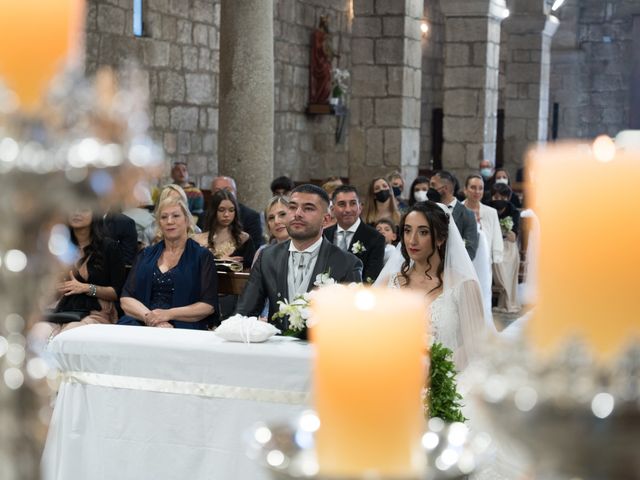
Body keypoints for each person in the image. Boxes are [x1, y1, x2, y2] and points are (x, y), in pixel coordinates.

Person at [236, 184, 362, 337]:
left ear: (326, 219)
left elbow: (353, 323)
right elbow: (244, 313)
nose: (297, 214)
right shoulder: (268, 257)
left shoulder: (347, 263)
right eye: (292, 207)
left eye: (308, 208)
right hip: (275, 350)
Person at [375, 202, 487, 369]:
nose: (412, 240)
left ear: (440, 238)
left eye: (423, 232)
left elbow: (476, 347)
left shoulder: (464, 286)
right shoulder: (388, 284)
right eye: (407, 231)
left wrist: (436, 373)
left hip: (447, 384)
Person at [118, 197, 219, 329]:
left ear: (187, 220)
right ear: (159, 223)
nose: (169, 221)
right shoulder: (145, 255)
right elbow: (126, 298)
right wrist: (152, 318)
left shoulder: (202, 256)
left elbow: (208, 306)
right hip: (143, 321)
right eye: (164, 217)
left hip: (184, 324)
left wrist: (168, 314)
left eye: (176, 216)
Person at [48, 207, 126, 333]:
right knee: (39, 333)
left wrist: (86, 288)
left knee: (69, 334)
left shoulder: (109, 247)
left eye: (83, 209)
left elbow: (118, 292)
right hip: (63, 308)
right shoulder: (59, 246)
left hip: (97, 311)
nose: (76, 212)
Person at [462, 175, 504, 326]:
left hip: (484, 261)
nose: (476, 191)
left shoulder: (490, 212)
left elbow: (496, 235)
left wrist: (496, 258)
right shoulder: (458, 210)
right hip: (465, 258)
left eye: (480, 188)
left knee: (484, 291)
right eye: (473, 187)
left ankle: (483, 325)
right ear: (465, 189)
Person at [323, 185, 386, 283]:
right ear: (332, 209)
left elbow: (371, 278)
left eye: (352, 204)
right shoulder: (324, 235)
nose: (348, 210)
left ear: (360, 207)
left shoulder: (375, 238)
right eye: (342, 204)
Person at [194, 190, 256, 269]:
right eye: (221, 210)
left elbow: (251, 269)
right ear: (213, 211)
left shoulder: (244, 239)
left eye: (231, 210)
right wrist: (219, 262)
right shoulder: (198, 240)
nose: (226, 215)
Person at [430, 171, 479, 260]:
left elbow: (470, 250)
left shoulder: (467, 214)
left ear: (445, 188)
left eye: (433, 185)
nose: (430, 189)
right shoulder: (428, 209)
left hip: (455, 267)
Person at [491, 183, 521, 314]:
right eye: (496, 197)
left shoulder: (513, 211)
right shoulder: (488, 208)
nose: (499, 200)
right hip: (493, 245)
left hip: (508, 246)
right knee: (498, 266)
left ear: (508, 198)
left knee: (509, 263)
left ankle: (507, 301)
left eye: (503, 198)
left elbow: (513, 237)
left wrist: (505, 228)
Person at [211, 176, 264, 249]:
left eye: (228, 190)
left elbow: (255, 248)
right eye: (218, 191)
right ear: (212, 194)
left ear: (235, 192)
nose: (224, 194)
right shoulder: (203, 217)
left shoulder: (251, 217)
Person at [309, 16, 333, 104]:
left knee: (328, 77)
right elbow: (317, 47)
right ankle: (318, 98)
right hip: (319, 61)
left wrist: (331, 53)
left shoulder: (325, 35)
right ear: (323, 23)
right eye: (326, 23)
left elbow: (328, 49)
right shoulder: (317, 34)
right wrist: (324, 43)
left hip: (324, 60)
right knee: (325, 75)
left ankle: (323, 98)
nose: (327, 25)